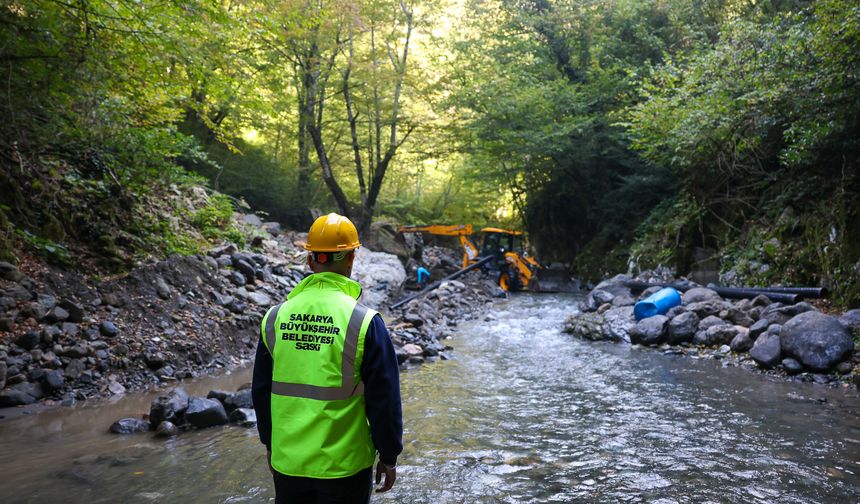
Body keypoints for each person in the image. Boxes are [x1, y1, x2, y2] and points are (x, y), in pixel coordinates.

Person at [252, 213, 403, 504]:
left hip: (289, 464)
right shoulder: (364, 322)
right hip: (344, 467)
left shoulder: (274, 318)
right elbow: (384, 399)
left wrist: (270, 444)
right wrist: (389, 455)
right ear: (351, 259)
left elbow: (261, 392)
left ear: (310, 261)